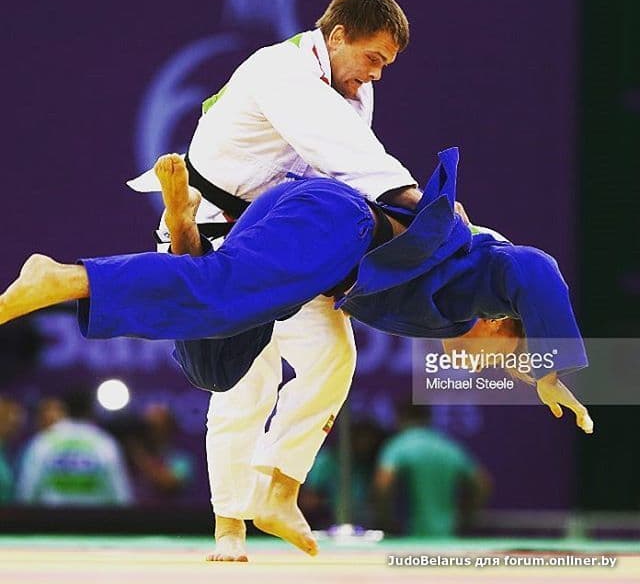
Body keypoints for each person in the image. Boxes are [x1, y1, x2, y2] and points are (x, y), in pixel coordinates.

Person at [0, 148, 593, 525]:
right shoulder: (479, 279)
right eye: (504, 359)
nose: (485, 370)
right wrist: (549, 370)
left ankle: (185, 236)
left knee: (215, 366)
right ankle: (65, 278)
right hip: (335, 220)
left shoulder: (458, 309)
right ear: (502, 321)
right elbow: (534, 267)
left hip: (313, 255)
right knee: (220, 292)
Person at [128, 0, 419, 560]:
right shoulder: (280, 70)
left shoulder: (351, 91)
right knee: (245, 381)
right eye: (372, 58)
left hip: (280, 245)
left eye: (385, 65)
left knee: (335, 355)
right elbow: (357, 160)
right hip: (213, 236)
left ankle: (279, 489)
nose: (376, 74)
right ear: (338, 36)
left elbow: (342, 179)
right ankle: (229, 525)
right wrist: (418, 202)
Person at [374, 404, 491, 537]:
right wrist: (464, 517)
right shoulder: (448, 447)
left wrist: (386, 519)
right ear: (428, 418)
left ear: (400, 417)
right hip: (448, 537)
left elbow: (382, 484)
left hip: (409, 538)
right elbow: (482, 484)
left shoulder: (399, 445)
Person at [15, 390, 133, 506]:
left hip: (50, 517)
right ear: (91, 410)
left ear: (65, 408)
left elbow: (26, 491)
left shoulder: (43, 442)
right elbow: (120, 495)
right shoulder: (104, 443)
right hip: (94, 517)